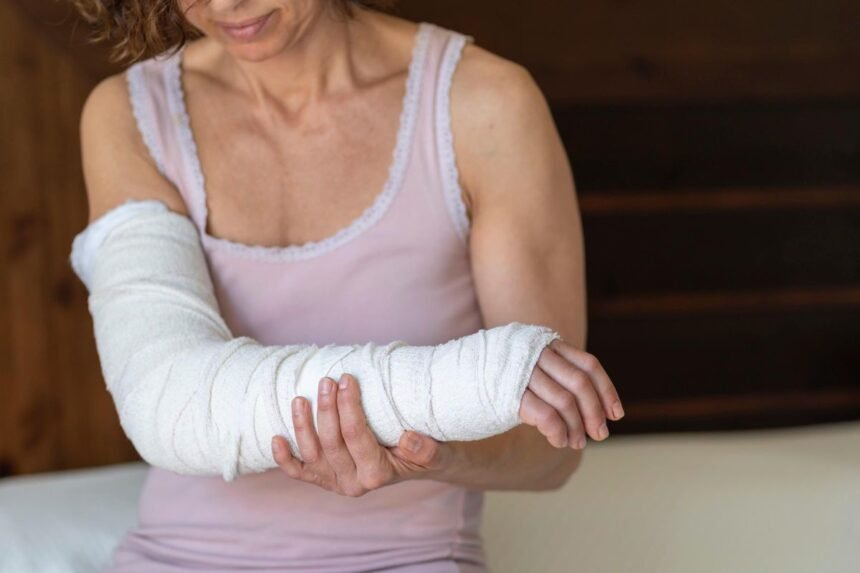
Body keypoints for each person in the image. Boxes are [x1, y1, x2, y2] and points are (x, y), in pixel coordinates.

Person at [72, 0, 624, 570]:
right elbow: (168, 400)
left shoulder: (483, 104)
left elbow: (550, 452)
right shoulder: (131, 113)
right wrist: (436, 391)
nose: (224, 4)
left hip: (403, 558)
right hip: (174, 557)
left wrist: (434, 456)